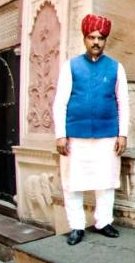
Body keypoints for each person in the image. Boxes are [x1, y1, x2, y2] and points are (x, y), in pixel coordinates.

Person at [52, 13, 129, 246]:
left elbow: (122, 102)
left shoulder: (116, 68)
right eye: (91, 37)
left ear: (105, 40)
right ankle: (76, 226)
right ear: (84, 38)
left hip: (107, 135)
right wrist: (61, 135)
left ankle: (103, 221)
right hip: (76, 136)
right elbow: (60, 102)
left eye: (100, 38)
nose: (96, 42)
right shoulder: (71, 66)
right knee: (72, 182)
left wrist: (122, 134)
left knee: (105, 181)